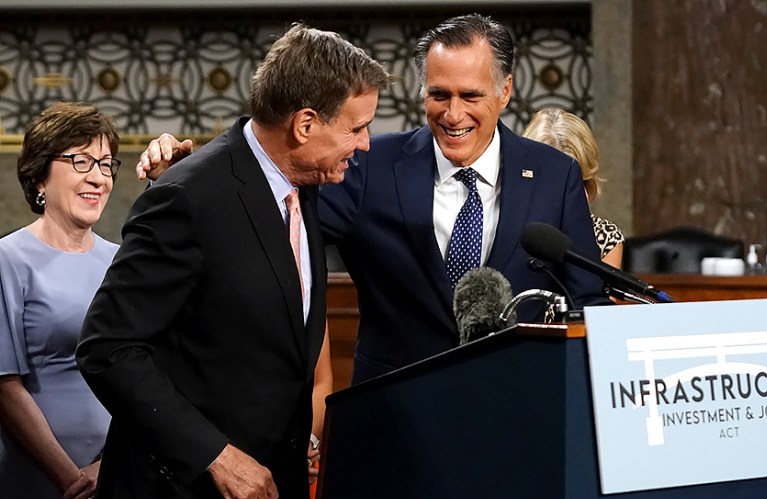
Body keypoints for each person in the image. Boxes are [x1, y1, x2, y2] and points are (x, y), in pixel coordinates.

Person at [139, 14, 608, 386]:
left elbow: (587, 300)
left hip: (516, 407)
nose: (453, 114)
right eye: (439, 94)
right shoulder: (369, 164)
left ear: (505, 91)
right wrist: (186, 178)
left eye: (471, 95)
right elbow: (267, 210)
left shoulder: (553, 174)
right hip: (397, 414)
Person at [77, 23, 389, 499]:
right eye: (356, 127)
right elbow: (108, 349)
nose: (365, 143)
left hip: (271, 484)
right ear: (305, 125)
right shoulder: (188, 198)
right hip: (180, 491)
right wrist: (216, 456)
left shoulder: (303, 187)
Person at [0, 102, 120, 499]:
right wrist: (73, 480)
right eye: (81, 160)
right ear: (39, 177)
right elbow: (4, 387)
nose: (98, 177)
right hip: (41, 482)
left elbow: (150, 374)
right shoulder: (7, 258)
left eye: (105, 164)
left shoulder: (124, 262)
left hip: (120, 475)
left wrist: (111, 468)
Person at [522, 108, 625, 268]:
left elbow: (602, 294)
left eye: (577, 182)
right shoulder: (503, 225)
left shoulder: (605, 236)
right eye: (554, 184)